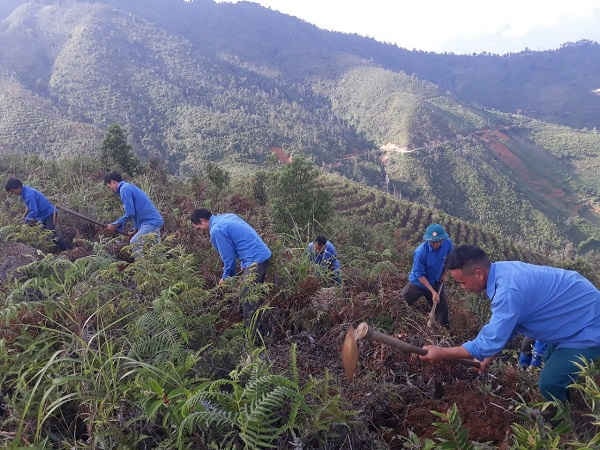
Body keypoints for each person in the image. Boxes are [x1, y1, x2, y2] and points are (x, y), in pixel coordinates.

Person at [419, 245, 600, 402]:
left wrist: (441, 352)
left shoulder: (508, 290)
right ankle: (571, 397)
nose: (463, 288)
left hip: (588, 325)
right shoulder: (501, 272)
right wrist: (486, 357)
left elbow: (488, 342)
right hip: (571, 316)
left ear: (478, 273)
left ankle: (567, 426)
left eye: (462, 282)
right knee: (553, 366)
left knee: (550, 383)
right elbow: (511, 325)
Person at [190, 208, 272, 324]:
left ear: (202, 220)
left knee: (247, 300)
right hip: (263, 254)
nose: (200, 230)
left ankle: (254, 338)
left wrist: (225, 278)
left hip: (255, 261)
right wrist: (244, 264)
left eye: (198, 228)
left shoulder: (216, 230)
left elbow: (229, 259)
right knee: (256, 297)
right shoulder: (228, 216)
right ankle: (265, 328)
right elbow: (243, 239)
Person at [400, 223, 453, 328]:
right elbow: (419, 274)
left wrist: (445, 273)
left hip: (436, 281)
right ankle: (398, 323)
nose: (436, 244)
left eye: (438, 241)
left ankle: (445, 332)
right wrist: (433, 292)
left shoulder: (447, 243)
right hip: (418, 283)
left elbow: (450, 257)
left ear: (442, 239)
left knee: (442, 309)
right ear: (428, 240)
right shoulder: (420, 252)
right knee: (401, 302)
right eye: (433, 242)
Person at [104, 172, 163, 254]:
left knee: (134, 243)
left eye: (109, 186)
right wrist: (136, 229)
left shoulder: (124, 189)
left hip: (150, 222)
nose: (110, 189)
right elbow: (137, 212)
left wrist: (114, 225)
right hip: (154, 221)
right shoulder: (128, 187)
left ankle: (141, 266)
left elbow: (130, 213)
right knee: (156, 251)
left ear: (113, 182)